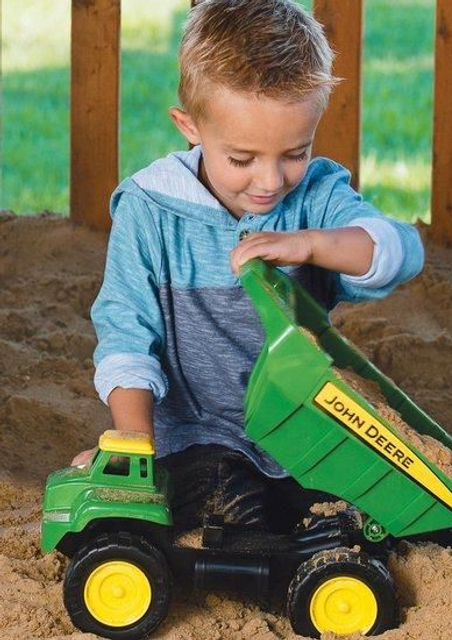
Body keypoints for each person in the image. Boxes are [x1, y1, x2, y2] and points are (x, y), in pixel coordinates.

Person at [71, 0, 424, 533]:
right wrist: (132, 449)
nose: (270, 181)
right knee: (228, 505)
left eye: (295, 152)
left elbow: (399, 251)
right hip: (199, 435)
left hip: (305, 430)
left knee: (376, 516)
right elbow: (126, 334)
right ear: (189, 126)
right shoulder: (150, 210)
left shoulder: (315, 196)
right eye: (242, 159)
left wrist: (311, 244)